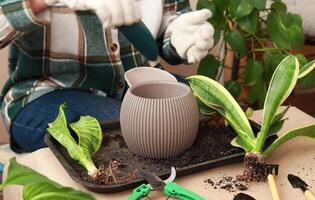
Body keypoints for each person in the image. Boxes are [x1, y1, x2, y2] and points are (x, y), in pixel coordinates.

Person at [0, 0, 214, 153]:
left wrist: (180, 38)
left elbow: (168, 26)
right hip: (47, 92)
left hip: (135, 82)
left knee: (211, 115)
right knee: (148, 133)